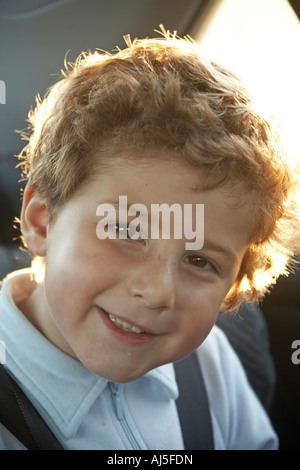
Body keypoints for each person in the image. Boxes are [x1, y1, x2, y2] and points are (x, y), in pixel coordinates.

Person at [0, 31, 299, 450]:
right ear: (41, 221)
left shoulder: (209, 364)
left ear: (232, 286)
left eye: (198, 261)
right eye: (126, 231)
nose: (158, 291)